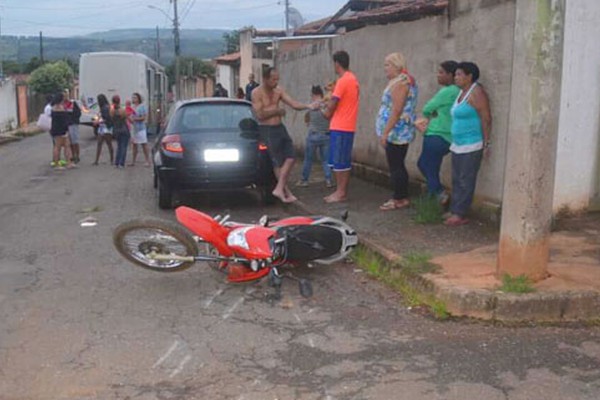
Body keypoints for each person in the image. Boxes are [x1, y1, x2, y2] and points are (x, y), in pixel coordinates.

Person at [251, 67, 315, 203]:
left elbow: (293, 104)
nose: (275, 82)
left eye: (277, 79)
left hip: (279, 128)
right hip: (267, 129)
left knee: (291, 156)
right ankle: (285, 191)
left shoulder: (278, 91)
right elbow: (260, 115)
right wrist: (277, 111)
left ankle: (280, 188)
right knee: (278, 162)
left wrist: (309, 106)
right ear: (265, 79)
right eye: (273, 79)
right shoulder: (256, 93)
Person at [444, 61, 492, 226]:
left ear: (469, 76)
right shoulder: (461, 93)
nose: (456, 77)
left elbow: (486, 118)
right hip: (458, 144)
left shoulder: (476, 92)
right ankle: (455, 209)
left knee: (466, 178)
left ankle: (460, 213)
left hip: (472, 144)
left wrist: (487, 143)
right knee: (457, 178)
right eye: (455, 74)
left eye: (459, 75)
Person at [376, 52, 418, 211]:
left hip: (397, 132)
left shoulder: (401, 83)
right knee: (396, 164)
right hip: (397, 130)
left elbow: (397, 109)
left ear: (396, 66)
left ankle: (399, 198)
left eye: (387, 65)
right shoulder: (400, 81)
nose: (385, 68)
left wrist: (386, 132)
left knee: (396, 165)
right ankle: (400, 195)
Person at [415, 61, 460, 205]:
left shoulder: (447, 91)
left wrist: (432, 112)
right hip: (448, 135)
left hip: (437, 133)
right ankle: (432, 198)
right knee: (432, 167)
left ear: (450, 75)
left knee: (424, 164)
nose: (438, 75)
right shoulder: (458, 91)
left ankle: (439, 193)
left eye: (441, 72)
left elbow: (428, 108)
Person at [322, 50, 360, 203]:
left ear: (337, 63)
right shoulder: (353, 79)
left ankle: (340, 192)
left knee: (339, 161)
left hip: (341, 126)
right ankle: (340, 190)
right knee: (342, 160)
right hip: (347, 125)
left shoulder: (343, 81)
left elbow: (333, 104)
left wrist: (323, 110)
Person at [297, 85, 333, 188]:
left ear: (314, 95)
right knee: (325, 160)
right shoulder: (327, 105)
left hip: (313, 135)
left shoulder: (312, 106)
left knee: (308, 159)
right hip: (326, 135)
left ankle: (304, 180)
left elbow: (307, 119)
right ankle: (328, 180)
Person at [49, 92, 75, 170]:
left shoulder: (53, 108)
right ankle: (62, 163)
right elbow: (65, 119)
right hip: (62, 129)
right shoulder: (61, 108)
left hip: (56, 129)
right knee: (61, 146)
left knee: (62, 146)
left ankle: (65, 162)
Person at [129, 92, 151, 166]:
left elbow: (144, 117)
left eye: (135, 97)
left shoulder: (142, 107)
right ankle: (133, 161)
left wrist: (135, 119)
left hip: (141, 128)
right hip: (134, 128)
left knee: (144, 144)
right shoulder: (132, 107)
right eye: (133, 97)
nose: (134, 99)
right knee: (134, 145)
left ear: (138, 98)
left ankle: (147, 160)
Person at [110, 95, 131, 169]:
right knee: (123, 146)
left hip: (116, 129)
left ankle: (117, 162)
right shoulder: (122, 110)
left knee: (119, 146)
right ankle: (121, 163)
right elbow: (126, 118)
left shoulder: (112, 111)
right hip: (124, 129)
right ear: (119, 101)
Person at [93, 94, 114, 165]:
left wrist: (98, 121)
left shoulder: (104, 108)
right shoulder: (107, 107)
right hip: (106, 127)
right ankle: (111, 160)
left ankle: (97, 160)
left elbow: (106, 118)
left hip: (104, 127)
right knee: (109, 144)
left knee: (100, 144)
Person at [64, 93, 82, 164]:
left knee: (75, 141)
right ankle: (72, 155)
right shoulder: (62, 105)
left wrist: (73, 119)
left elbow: (78, 113)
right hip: (66, 125)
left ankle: (77, 156)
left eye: (65, 96)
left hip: (73, 124)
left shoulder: (72, 103)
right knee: (69, 142)